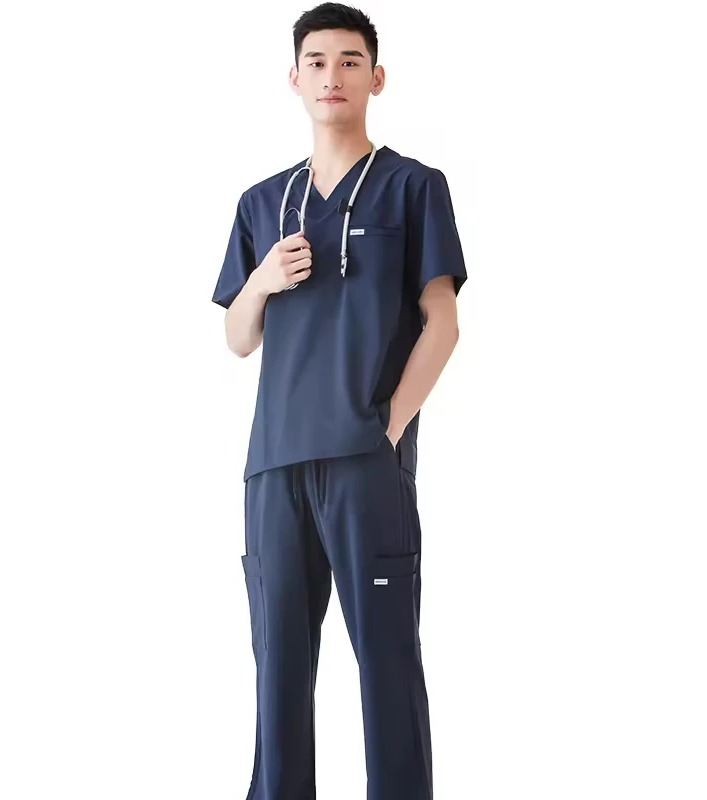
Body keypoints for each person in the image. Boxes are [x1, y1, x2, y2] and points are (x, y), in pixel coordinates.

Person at [211, 4, 467, 798]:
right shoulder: (262, 203)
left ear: (376, 78)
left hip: (364, 463)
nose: (333, 76)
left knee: (387, 667)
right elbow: (238, 337)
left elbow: (443, 324)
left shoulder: (413, 187)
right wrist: (261, 280)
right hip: (274, 467)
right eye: (317, 62)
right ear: (294, 78)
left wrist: (388, 428)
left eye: (350, 61)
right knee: (278, 676)